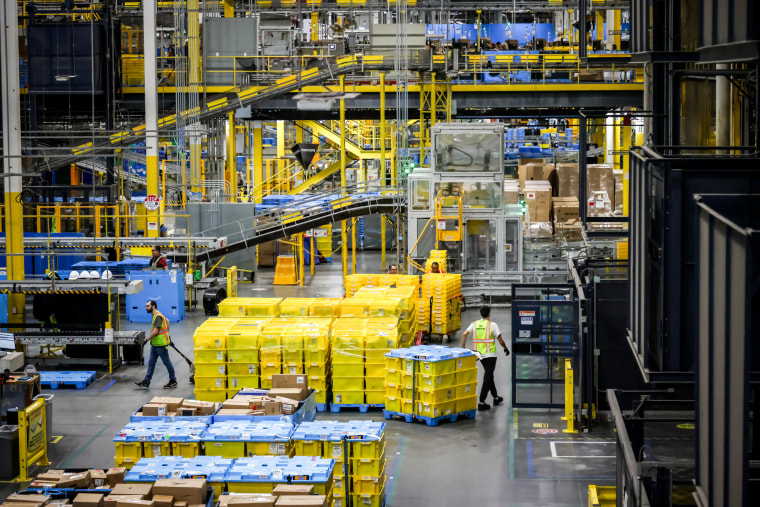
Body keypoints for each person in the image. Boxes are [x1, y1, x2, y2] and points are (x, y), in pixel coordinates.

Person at [461, 305, 509, 411]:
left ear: (480, 314)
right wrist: (505, 348)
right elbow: (500, 340)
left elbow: (464, 334)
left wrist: (463, 349)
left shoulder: (474, 324)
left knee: (489, 374)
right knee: (488, 376)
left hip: (479, 355)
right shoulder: (493, 325)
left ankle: (495, 397)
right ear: (489, 314)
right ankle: (481, 401)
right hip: (490, 355)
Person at [134, 300, 177, 390]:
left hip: (160, 344)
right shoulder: (157, 315)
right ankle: (146, 381)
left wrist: (146, 339)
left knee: (167, 362)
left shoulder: (157, 316)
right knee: (151, 363)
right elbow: (167, 321)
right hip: (155, 344)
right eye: (146, 306)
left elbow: (156, 331)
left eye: (147, 306)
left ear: (153, 306)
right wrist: (167, 335)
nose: (146, 308)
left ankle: (173, 380)